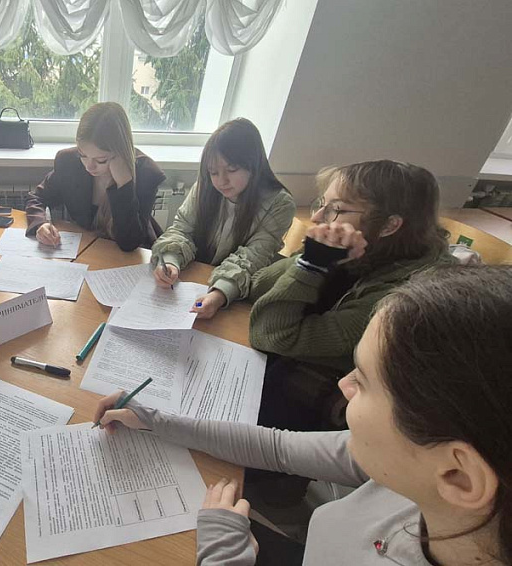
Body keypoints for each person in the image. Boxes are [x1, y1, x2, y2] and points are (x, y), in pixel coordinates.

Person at [95, 265, 512, 565]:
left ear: (459, 476)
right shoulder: (413, 470)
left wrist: (222, 557)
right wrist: (153, 418)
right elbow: (278, 446)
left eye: (364, 381)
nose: (343, 384)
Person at [248, 160, 453, 433]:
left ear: (389, 225)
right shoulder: (362, 251)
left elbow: (270, 334)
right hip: (292, 372)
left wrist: (311, 266)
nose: (317, 217)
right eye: (322, 204)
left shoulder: (401, 298)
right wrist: (310, 258)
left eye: (336, 209)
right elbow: (258, 285)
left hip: (328, 411)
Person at [151, 118, 295, 319]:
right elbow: (182, 229)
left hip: (234, 296)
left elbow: (252, 258)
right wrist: (171, 262)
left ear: (254, 164)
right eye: (213, 172)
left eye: (232, 169)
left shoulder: (279, 203)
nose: (221, 180)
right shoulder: (205, 186)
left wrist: (219, 295)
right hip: (190, 280)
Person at [25, 102, 166, 252]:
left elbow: (129, 243)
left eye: (101, 160)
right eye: (83, 155)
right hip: (88, 249)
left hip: (128, 256)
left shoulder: (146, 173)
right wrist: (40, 223)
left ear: (120, 152)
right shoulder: (69, 161)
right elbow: (37, 197)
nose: (89, 166)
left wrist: (124, 184)